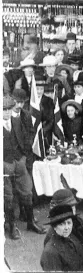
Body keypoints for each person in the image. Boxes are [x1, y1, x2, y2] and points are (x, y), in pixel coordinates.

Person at [3, 95, 47, 240]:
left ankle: (30, 222)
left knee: (27, 191)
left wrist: (23, 157)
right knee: (8, 196)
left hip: (19, 161)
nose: (7, 112)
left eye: (9, 109)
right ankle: (12, 226)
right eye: (3, 109)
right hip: (4, 164)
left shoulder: (16, 121)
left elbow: (26, 138)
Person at [43, 189, 83, 271]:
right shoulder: (52, 241)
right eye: (68, 207)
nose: (73, 211)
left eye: (73, 206)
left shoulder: (77, 222)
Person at [40, 205, 83, 272]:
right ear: (54, 227)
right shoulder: (50, 252)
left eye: (69, 223)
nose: (67, 227)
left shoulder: (72, 238)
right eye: (62, 224)